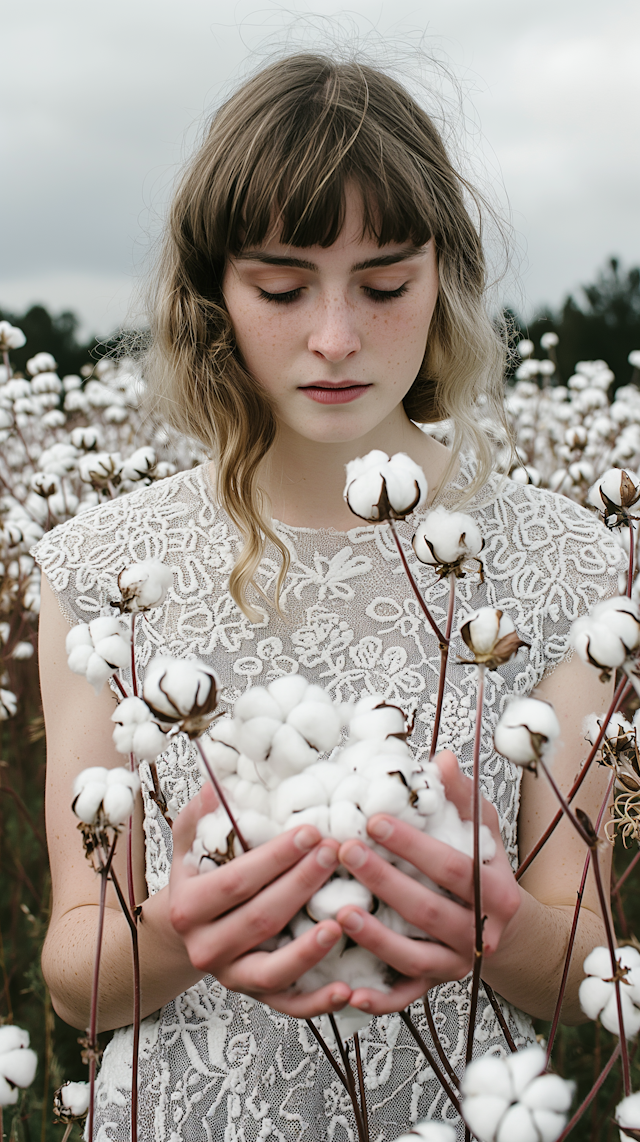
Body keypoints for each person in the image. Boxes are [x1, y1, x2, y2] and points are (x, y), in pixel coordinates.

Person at [34, 53, 620, 1141]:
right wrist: (180, 930)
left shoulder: (571, 565)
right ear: (212, 290)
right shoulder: (99, 566)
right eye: (282, 285)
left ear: (443, 276)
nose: (337, 337)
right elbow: (75, 972)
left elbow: (592, 970)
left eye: (385, 284)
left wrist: (500, 929)